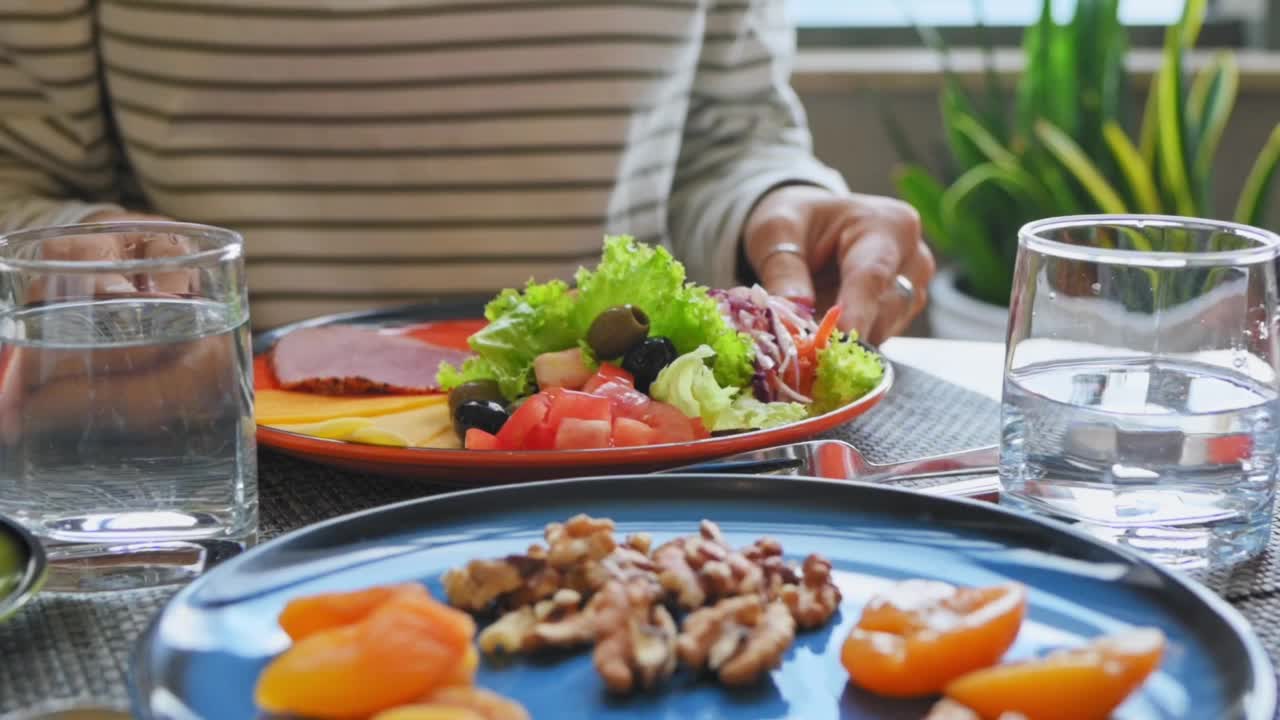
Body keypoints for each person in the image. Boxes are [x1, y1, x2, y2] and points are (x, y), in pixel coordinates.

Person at [0, 0, 933, 343]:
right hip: (218, 471)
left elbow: (725, 142)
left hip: (638, 464)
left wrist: (782, 211)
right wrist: (84, 260)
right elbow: (20, 170)